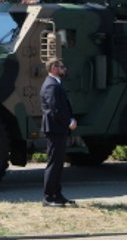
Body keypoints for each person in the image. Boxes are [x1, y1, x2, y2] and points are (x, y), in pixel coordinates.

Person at [40, 55, 77, 207]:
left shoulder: (55, 83)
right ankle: (49, 197)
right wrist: (69, 122)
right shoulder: (51, 85)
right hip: (55, 129)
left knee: (58, 163)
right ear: (54, 69)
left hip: (58, 129)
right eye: (61, 67)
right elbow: (55, 110)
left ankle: (57, 194)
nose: (64, 69)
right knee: (54, 163)